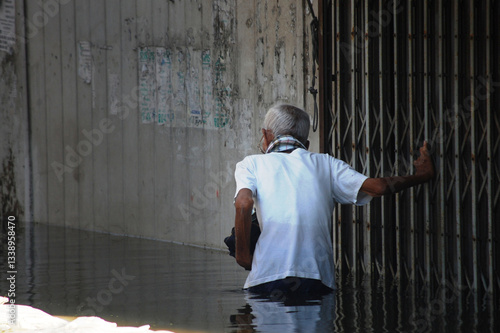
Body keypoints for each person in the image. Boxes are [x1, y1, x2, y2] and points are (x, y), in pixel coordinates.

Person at [233, 104, 435, 297]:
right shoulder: (326, 163)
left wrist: (243, 256)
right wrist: (421, 176)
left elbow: (243, 203)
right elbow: (379, 187)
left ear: (266, 135)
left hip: (267, 278)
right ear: (307, 144)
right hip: (315, 279)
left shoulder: (251, 164)